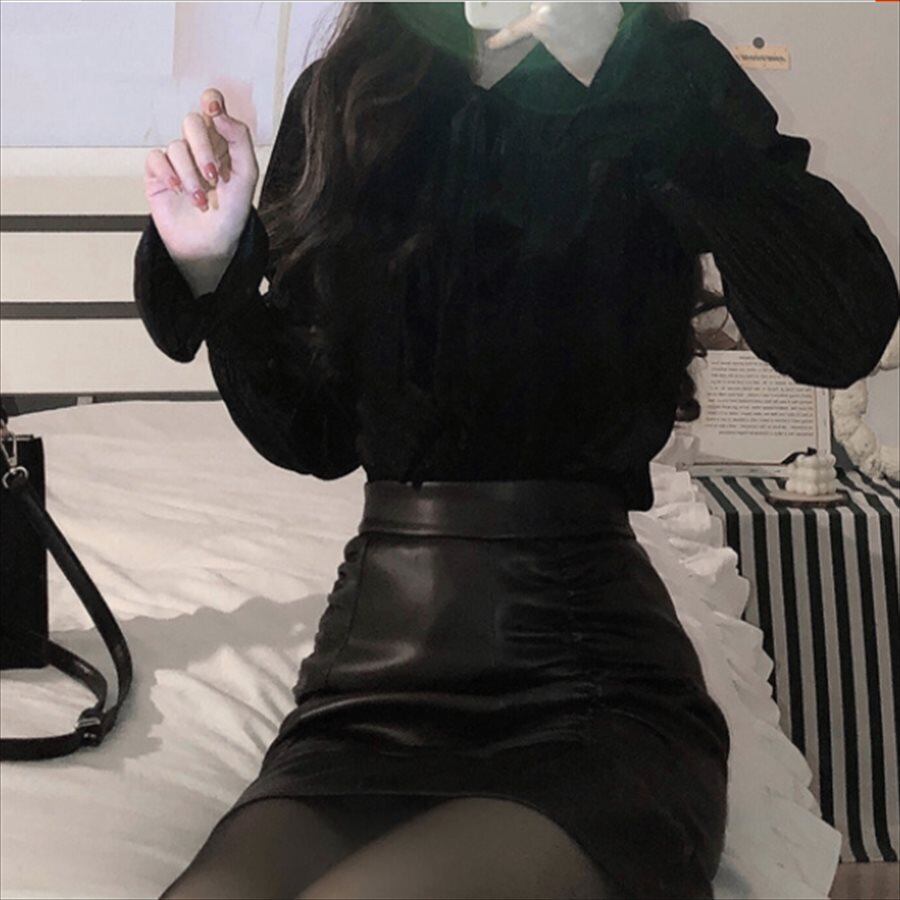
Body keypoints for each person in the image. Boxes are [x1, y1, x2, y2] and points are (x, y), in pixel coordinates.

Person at [133, 2, 899, 898]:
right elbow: (315, 433)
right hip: (369, 690)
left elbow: (841, 332)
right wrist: (217, 271)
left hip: (584, 685)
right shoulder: (350, 91)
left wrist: (625, 70)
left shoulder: (664, 69)